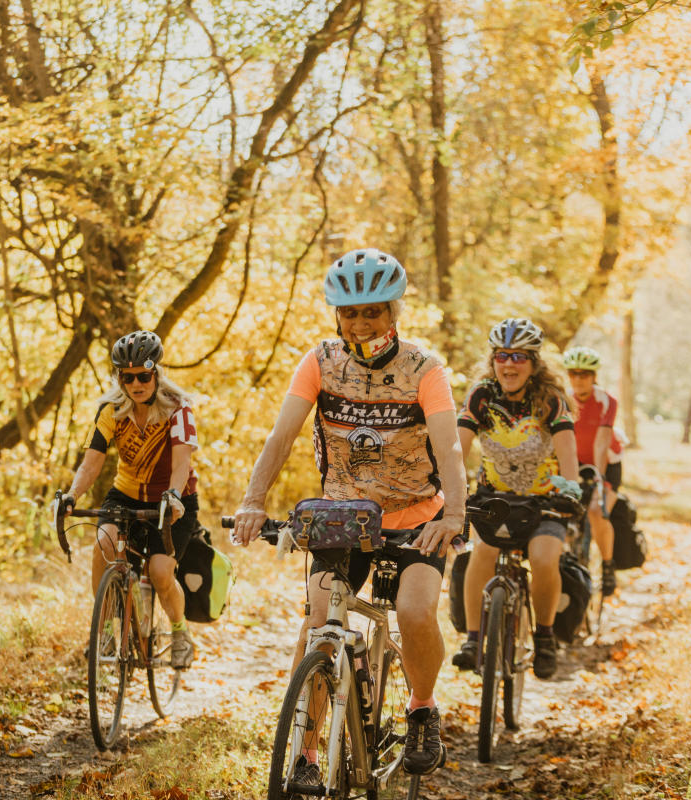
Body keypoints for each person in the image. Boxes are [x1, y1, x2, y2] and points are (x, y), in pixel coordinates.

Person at [231, 248, 467, 777]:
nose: (360, 323)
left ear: (394, 311)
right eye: (350, 312)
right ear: (337, 313)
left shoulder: (425, 369)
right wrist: (253, 500)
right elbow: (282, 434)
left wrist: (453, 514)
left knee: (413, 611)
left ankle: (422, 709)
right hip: (343, 518)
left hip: (415, 519)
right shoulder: (320, 362)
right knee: (319, 623)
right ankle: (306, 753)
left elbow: (450, 447)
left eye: (373, 311)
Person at [58, 330, 201, 670]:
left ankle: (180, 633)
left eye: (143, 376)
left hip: (173, 498)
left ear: (156, 374)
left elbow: (182, 464)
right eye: (127, 377)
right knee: (104, 544)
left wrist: (174, 496)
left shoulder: (178, 410)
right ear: (119, 378)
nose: (136, 384)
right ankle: (106, 628)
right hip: (125, 493)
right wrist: (72, 494)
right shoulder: (111, 410)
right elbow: (92, 461)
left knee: (161, 572)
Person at [451, 318, 581, 680]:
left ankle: (544, 637)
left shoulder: (551, 400)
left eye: (519, 357)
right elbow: (458, 448)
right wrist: (449, 486)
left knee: (542, 558)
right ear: (493, 360)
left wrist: (571, 490)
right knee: (483, 552)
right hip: (496, 498)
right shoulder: (481, 396)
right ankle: (474, 640)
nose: (509, 364)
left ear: (534, 363)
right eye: (502, 356)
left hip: (545, 502)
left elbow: (568, 453)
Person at [563, 345, 622, 596]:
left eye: (584, 374)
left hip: (606, 462)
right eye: (574, 373)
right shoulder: (562, 399)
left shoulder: (606, 401)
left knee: (598, 511)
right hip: (573, 463)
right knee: (563, 513)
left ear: (594, 376)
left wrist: (598, 477)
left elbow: (602, 439)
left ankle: (608, 564)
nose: (578, 379)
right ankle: (572, 562)